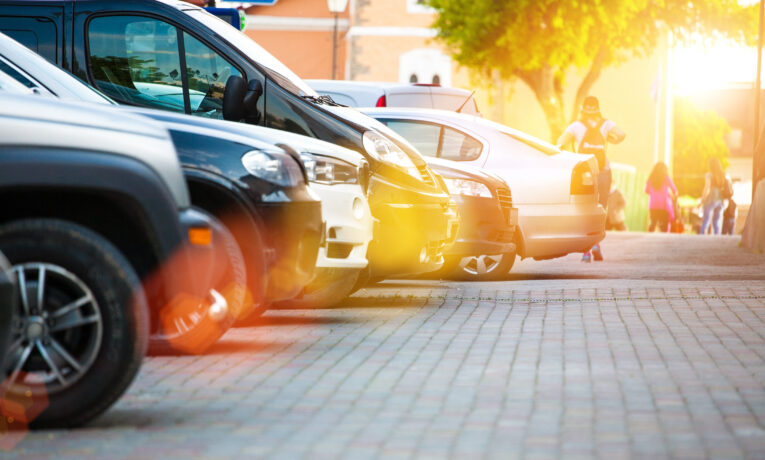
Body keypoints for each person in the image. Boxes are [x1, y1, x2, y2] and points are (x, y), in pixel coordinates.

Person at [557, 96, 626, 262]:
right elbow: (622, 134)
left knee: (585, 209)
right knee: (600, 209)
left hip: (585, 172)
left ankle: (587, 250)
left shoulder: (576, 126)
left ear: (582, 109)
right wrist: (611, 139)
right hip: (603, 171)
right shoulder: (606, 124)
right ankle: (596, 244)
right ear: (598, 108)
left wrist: (570, 153)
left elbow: (560, 143)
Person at [644, 162, 677, 232]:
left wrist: (654, 193)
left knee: (653, 224)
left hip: (653, 205)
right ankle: (663, 240)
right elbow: (674, 190)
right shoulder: (666, 178)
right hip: (664, 205)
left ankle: (648, 239)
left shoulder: (650, 179)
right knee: (664, 226)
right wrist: (672, 196)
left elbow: (646, 191)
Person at [699, 157, 727, 235]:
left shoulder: (709, 175)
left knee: (705, 221)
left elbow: (707, 188)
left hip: (711, 199)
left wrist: (703, 198)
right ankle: (717, 238)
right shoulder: (723, 175)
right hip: (721, 200)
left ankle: (701, 237)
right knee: (717, 222)